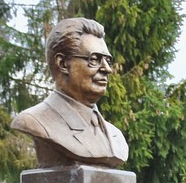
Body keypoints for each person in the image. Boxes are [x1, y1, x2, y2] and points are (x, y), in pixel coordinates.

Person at [11, 17, 129, 169]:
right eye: (94, 59)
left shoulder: (116, 136)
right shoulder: (34, 121)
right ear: (63, 64)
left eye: (107, 60)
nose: (107, 69)